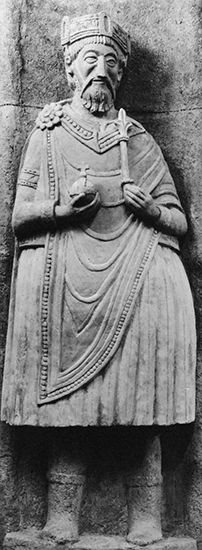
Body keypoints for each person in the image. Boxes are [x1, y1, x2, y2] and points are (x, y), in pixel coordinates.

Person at [1, 11, 196, 547]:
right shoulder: (48, 132)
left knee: (139, 397)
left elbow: (178, 220)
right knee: (72, 406)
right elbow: (21, 217)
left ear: (121, 73)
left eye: (111, 62)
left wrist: (150, 210)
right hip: (67, 271)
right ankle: (62, 514)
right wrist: (63, 207)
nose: (101, 72)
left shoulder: (138, 139)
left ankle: (147, 513)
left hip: (133, 268)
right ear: (70, 69)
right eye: (90, 60)